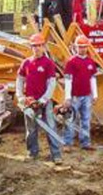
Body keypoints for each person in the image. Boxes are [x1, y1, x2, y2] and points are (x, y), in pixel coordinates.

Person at [16, 33, 63, 164]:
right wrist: (20, 96)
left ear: (43, 46)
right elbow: (19, 80)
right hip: (30, 102)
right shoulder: (26, 63)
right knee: (31, 129)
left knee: (50, 128)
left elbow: (52, 83)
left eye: (39, 46)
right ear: (31, 47)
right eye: (34, 46)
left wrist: (44, 99)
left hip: (45, 102)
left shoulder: (48, 64)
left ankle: (56, 155)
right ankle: (32, 153)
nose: (36, 48)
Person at [63, 35, 98, 152]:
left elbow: (92, 78)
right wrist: (67, 97)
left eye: (84, 47)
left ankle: (85, 142)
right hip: (75, 96)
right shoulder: (71, 62)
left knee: (86, 119)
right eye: (80, 47)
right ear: (76, 47)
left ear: (87, 47)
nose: (82, 49)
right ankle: (68, 143)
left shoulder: (90, 62)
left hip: (87, 96)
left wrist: (95, 94)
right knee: (70, 119)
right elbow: (68, 80)